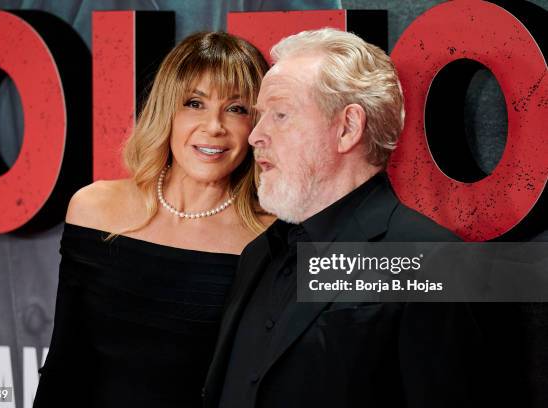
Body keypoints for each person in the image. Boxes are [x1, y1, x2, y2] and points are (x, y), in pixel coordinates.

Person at [203, 28, 487, 408]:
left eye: (281, 115)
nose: (255, 136)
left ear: (348, 128)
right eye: (259, 117)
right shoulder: (258, 254)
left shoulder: (433, 263)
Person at [33, 31, 271, 408]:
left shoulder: (272, 236)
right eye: (195, 103)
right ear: (167, 111)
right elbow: (66, 359)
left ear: (257, 126)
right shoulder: (94, 207)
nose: (214, 126)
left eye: (237, 109)